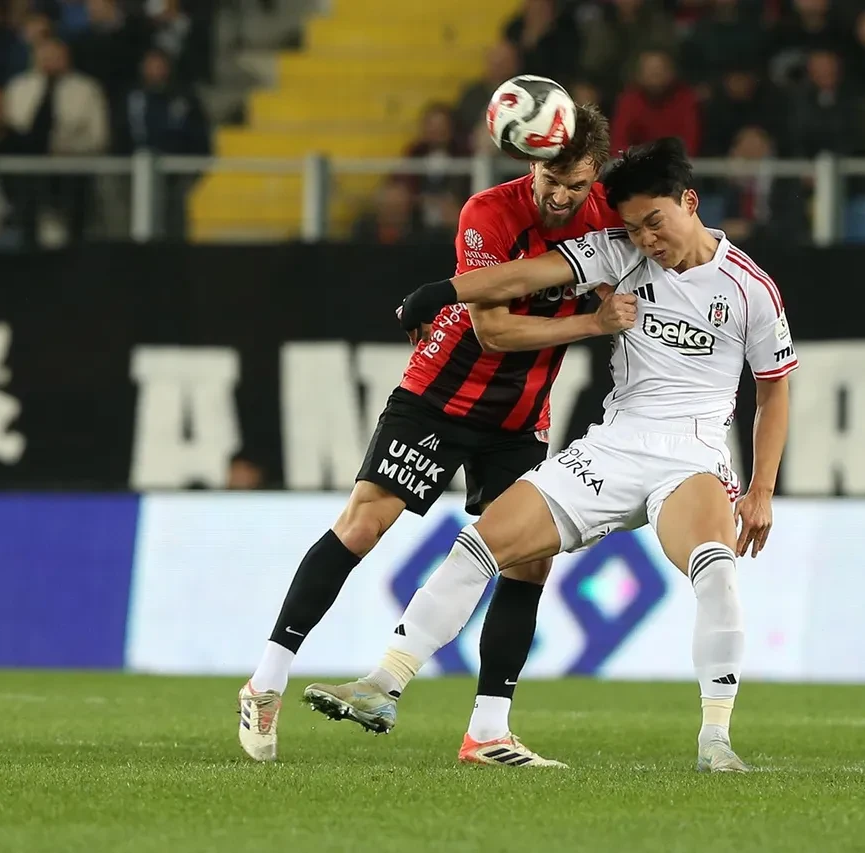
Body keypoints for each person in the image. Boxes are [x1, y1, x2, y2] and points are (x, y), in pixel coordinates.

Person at [307, 137, 796, 773]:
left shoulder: (750, 288)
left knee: (715, 568)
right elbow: (526, 275)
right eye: (633, 227)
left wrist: (761, 489)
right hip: (611, 447)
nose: (647, 239)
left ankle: (716, 742)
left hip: (692, 457)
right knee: (480, 542)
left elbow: (774, 388)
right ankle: (384, 685)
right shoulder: (617, 253)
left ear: (690, 201)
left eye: (656, 221)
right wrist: (445, 289)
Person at [237, 105, 632, 766]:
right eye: (549, 178)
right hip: (438, 399)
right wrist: (593, 324)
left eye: (576, 182)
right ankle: (265, 681)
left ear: (595, 175)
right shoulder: (489, 212)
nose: (560, 194)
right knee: (364, 525)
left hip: (520, 418)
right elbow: (493, 331)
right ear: (530, 160)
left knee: (528, 559)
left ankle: (488, 730)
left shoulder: (607, 224)